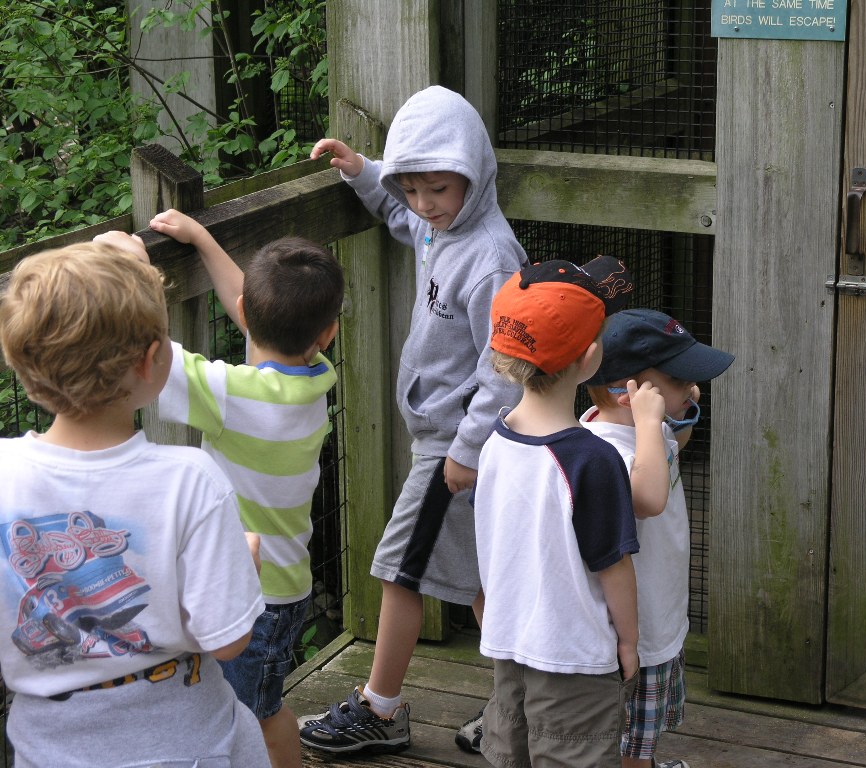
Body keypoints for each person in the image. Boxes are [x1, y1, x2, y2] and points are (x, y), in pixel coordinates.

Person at [298, 85, 528, 755]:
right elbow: (402, 219)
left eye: (439, 189)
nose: (425, 204)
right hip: (446, 438)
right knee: (483, 584)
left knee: (399, 570)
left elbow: (505, 366)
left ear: (474, 174)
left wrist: (467, 449)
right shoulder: (439, 227)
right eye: (413, 187)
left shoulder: (491, 257)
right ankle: (521, 709)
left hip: (457, 445)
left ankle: (381, 708)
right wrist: (364, 172)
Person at [0, 241, 270, 768]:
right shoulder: (190, 481)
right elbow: (229, 641)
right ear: (151, 361)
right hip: (187, 746)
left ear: (25, 368)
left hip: (47, 749)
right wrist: (244, 564)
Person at [96, 215, 344, 768]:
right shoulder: (316, 378)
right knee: (266, 710)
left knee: (241, 719)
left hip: (252, 595)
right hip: (285, 587)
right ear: (326, 334)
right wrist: (202, 238)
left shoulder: (234, 396)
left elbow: (157, 354)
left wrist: (134, 266)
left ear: (248, 316)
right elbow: (254, 313)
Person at [474, 255, 641, 767]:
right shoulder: (593, 459)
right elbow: (613, 565)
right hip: (575, 661)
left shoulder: (494, 442)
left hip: (509, 649)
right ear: (591, 358)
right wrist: (630, 643)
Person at [582, 308, 735, 768]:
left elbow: (671, 447)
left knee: (641, 741)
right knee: (630, 742)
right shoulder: (603, 452)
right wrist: (653, 424)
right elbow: (645, 499)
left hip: (660, 615)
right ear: (626, 392)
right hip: (634, 632)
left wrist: (676, 411)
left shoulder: (645, 433)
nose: (692, 385)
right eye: (678, 377)